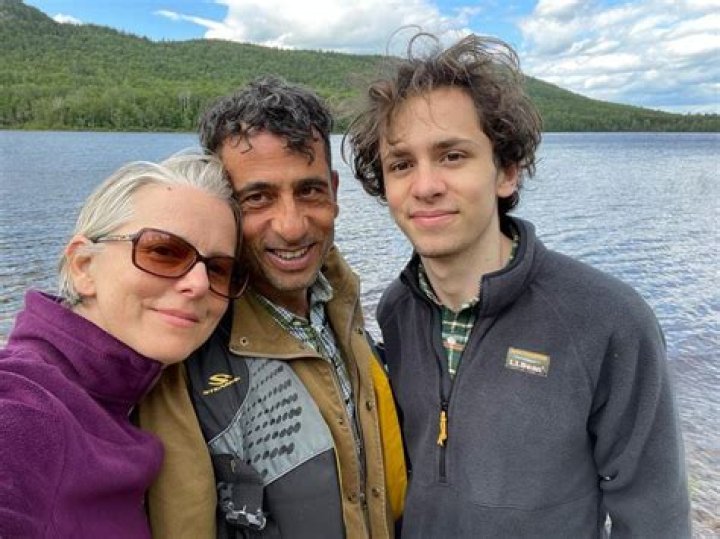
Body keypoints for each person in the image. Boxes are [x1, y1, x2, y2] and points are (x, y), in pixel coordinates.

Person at [343, 32, 690, 537]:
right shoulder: (398, 309)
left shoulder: (607, 320)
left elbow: (655, 518)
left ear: (506, 172)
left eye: (452, 156)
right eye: (401, 164)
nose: (425, 185)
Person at [139, 76, 406, 538]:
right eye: (258, 198)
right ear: (222, 205)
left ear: (334, 191)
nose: (291, 226)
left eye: (309, 191)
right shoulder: (182, 356)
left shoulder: (341, 302)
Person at [0, 151, 245, 538]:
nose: (199, 284)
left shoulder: (125, 399)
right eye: (163, 251)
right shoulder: (26, 409)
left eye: (218, 269)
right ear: (83, 266)